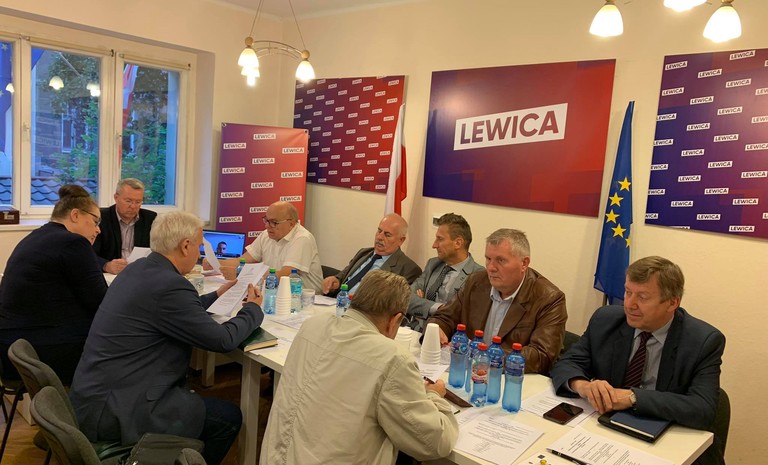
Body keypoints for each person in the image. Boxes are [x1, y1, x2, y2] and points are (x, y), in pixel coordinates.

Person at [69, 211, 264, 465]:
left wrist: (216, 295)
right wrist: (252, 310)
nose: (199, 254)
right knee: (228, 418)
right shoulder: (170, 285)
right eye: (199, 246)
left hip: (98, 395)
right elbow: (222, 340)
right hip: (121, 409)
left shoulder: (139, 268)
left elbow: (172, 309)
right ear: (185, 246)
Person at [261, 270, 459, 464]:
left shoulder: (312, 325)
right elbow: (434, 442)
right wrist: (434, 395)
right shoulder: (392, 358)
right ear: (395, 320)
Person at [550, 256, 725, 433]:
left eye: (642, 297)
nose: (629, 304)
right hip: (603, 425)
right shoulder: (605, 320)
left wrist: (633, 398)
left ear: (672, 302)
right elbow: (567, 363)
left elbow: (703, 408)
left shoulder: (703, 341)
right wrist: (583, 386)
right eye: (628, 292)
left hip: (663, 432)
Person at [0, 184, 107, 384]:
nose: (98, 230)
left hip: (14, 348)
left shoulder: (36, 236)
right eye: (95, 221)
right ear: (75, 215)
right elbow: (101, 302)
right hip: (43, 349)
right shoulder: (74, 243)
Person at [428, 228, 566, 375]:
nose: (491, 268)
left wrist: (485, 356)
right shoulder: (476, 282)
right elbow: (445, 316)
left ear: (524, 263)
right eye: (488, 259)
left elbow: (541, 356)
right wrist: (437, 329)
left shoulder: (549, 298)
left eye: (501, 260)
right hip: (468, 374)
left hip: (510, 379)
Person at [212, 201, 323, 292]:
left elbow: (284, 275)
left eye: (274, 222)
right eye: (266, 220)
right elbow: (243, 260)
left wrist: (240, 275)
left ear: (291, 224)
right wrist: (214, 262)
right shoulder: (266, 234)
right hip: (274, 292)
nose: (267, 226)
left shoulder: (302, 238)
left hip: (304, 298)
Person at [405, 213, 484, 332]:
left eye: (440, 239)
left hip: (449, 338)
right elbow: (406, 298)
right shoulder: (433, 264)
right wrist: (439, 308)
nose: (434, 245)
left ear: (458, 243)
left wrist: (422, 304)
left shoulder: (478, 276)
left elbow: (464, 317)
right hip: (416, 330)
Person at [322, 213, 421, 296]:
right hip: (336, 303)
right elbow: (343, 275)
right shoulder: (364, 253)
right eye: (379, 231)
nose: (379, 237)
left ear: (401, 240)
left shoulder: (408, 269)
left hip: (361, 311)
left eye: (387, 235)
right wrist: (335, 280)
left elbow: (393, 303)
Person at [93, 178, 157, 275]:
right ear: (116, 197)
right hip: (110, 275)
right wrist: (106, 265)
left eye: (138, 202)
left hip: (140, 273)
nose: (133, 206)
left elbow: (159, 252)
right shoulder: (101, 218)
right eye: (128, 201)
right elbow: (88, 253)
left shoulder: (150, 219)